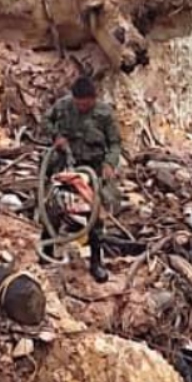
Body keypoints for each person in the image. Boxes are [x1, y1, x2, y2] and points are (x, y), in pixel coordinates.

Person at [41, 75, 122, 283]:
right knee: (54, 206)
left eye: (86, 103)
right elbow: (45, 120)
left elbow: (115, 143)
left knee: (95, 215)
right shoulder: (63, 106)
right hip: (67, 165)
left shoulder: (104, 114)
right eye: (79, 103)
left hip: (93, 170)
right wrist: (56, 137)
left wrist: (110, 164)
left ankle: (96, 262)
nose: (82, 107)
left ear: (93, 99)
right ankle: (46, 252)